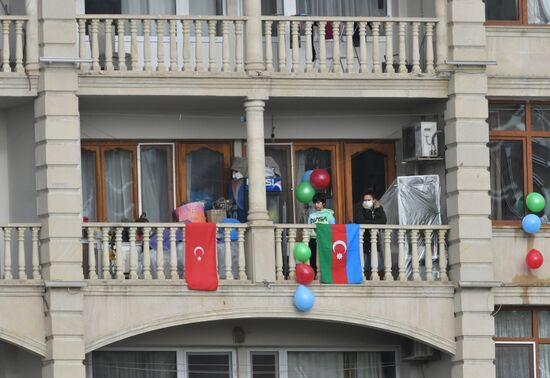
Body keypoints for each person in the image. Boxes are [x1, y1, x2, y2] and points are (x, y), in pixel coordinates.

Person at [353, 190, 387, 278]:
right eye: (365, 200)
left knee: (376, 264)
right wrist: (369, 215)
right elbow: (360, 221)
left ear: (374, 200)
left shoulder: (378, 208)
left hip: (375, 240)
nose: (367, 202)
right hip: (363, 240)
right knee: (364, 264)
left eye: (369, 200)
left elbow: (383, 221)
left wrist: (377, 209)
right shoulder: (359, 208)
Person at [307, 193, 336, 274]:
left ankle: (326, 275)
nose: (316, 205)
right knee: (313, 259)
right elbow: (308, 228)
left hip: (325, 240)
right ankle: (314, 275)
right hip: (313, 240)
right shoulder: (311, 216)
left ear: (323, 203)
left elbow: (333, 228)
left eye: (318, 202)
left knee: (325, 259)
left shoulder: (329, 215)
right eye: (315, 203)